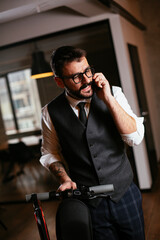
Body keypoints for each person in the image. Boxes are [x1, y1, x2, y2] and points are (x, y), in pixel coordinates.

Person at [40, 46, 145, 240]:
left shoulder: (114, 93)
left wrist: (108, 99)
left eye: (88, 71)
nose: (87, 80)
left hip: (124, 194)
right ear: (58, 81)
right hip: (89, 203)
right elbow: (49, 153)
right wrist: (65, 179)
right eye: (76, 77)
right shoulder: (49, 112)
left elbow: (135, 138)